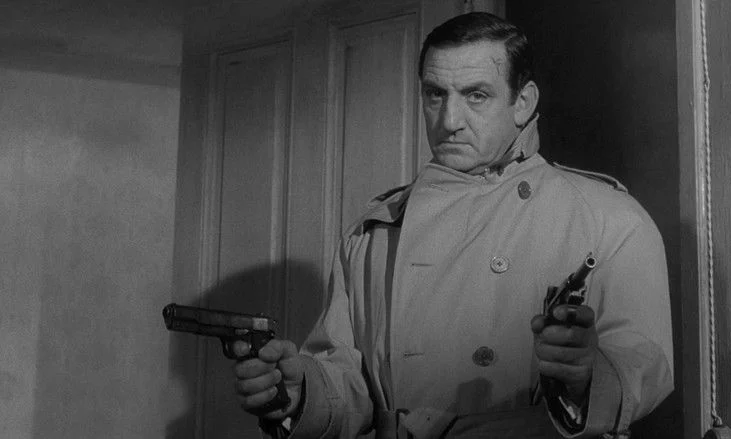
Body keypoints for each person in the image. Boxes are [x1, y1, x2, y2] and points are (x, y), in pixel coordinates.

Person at [232, 12, 674, 439]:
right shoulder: (375, 232)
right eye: (435, 94)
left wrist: (585, 378)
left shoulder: (608, 218)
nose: (449, 121)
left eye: (475, 95)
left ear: (523, 103)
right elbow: (350, 381)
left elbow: (645, 366)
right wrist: (300, 393)